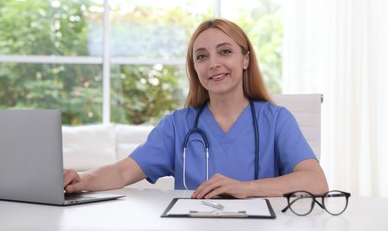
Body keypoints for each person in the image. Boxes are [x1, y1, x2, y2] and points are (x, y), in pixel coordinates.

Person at [64, 18, 328, 199]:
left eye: (225, 52)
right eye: (202, 56)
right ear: (194, 68)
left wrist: (246, 188)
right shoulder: (178, 125)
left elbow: (316, 182)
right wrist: (82, 180)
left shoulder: (276, 120)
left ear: (245, 59)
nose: (213, 63)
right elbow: (123, 171)